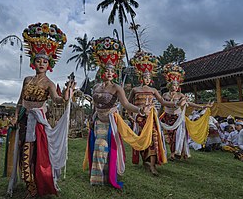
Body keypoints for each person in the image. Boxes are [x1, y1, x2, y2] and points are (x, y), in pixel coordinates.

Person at [5, 22, 75, 199]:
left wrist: (66, 95)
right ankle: (29, 184)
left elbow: (57, 100)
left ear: (49, 64)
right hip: (22, 120)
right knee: (22, 152)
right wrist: (14, 116)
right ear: (33, 62)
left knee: (34, 153)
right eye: (38, 60)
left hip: (37, 124)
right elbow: (20, 101)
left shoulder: (50, 84)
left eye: (45, 61)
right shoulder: (27, 79)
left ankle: (35, 185)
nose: (41, 63)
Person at [83, 37, 159, 188]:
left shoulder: (117, 88)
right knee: (97, 148)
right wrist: (91, 118)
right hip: (97, 121)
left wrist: (139, 110)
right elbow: (94, 104)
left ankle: (108, 176)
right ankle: (99, 178)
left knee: (103, 146)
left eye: (112, 71)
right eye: (107, 70)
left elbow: (125, 104)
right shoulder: (96, 87)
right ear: (101, 71)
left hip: (111, 122)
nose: (110, 73)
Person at [128, 51, 183, 175]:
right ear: (140, 77)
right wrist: (130, 116)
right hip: (139, 119)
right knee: (141, 140)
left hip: (151, 118)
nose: (147, 79)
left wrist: (175, 104)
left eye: (149, 77)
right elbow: (128, 104)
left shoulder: (153, 90)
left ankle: (153, 165)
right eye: (145, 77)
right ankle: (145, 161)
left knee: (153, 139)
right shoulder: (135, 89)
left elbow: (163, 102)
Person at [160, 63, 213, 160]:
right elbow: (162, 106)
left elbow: (190, 104)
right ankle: (172, 152)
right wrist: (157, 115)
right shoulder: (164, 95)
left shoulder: (181, 95)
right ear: (169, 85)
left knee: (177, 135)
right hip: (167, 117)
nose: (175, 87)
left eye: (177, 85)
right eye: (174, 84)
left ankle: (175, 153)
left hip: (178, 118)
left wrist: (203, 106)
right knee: (169, 136)